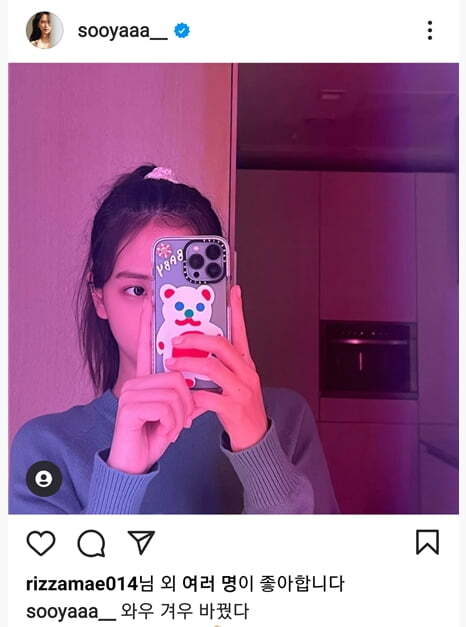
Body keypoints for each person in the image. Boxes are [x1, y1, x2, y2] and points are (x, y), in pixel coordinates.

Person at [9, 164, 339, 514]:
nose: (164, 313)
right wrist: (121, 475)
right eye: (136, 290)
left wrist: (259, 451)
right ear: (99, 298)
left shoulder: (286, 419)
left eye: (182, 287)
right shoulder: (47, 447)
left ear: (217, 292)